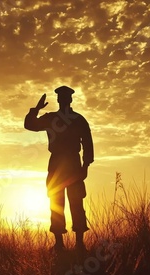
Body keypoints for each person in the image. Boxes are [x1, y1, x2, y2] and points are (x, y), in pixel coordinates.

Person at [24, 85, 94, 252]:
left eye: (65, 98)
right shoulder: (52, 118)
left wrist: (85, 166)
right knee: (56, 202)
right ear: (59, 100)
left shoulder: (78, 119)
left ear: (69, 100)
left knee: (76, 202)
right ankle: (60, 244)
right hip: (57, 164)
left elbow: (88, 144)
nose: (62, 100)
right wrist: (36, 109)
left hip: (72, 164)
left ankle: (79, 244)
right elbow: (30, 125)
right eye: (61, 98)